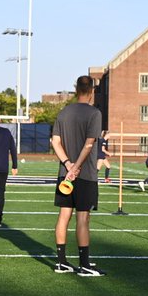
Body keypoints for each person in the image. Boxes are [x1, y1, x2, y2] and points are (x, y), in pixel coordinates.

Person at [50, 75, 104, 276]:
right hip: (85, 174)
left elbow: (55, 142)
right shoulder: (94, 113)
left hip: (65, 174)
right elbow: (89, 144)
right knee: (83, 218)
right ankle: (84, 265)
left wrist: (67, 165)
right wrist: (76, 167)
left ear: (76, 89)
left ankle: (61, 262)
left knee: (64, 215)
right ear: (91, 91)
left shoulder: (64, 112)